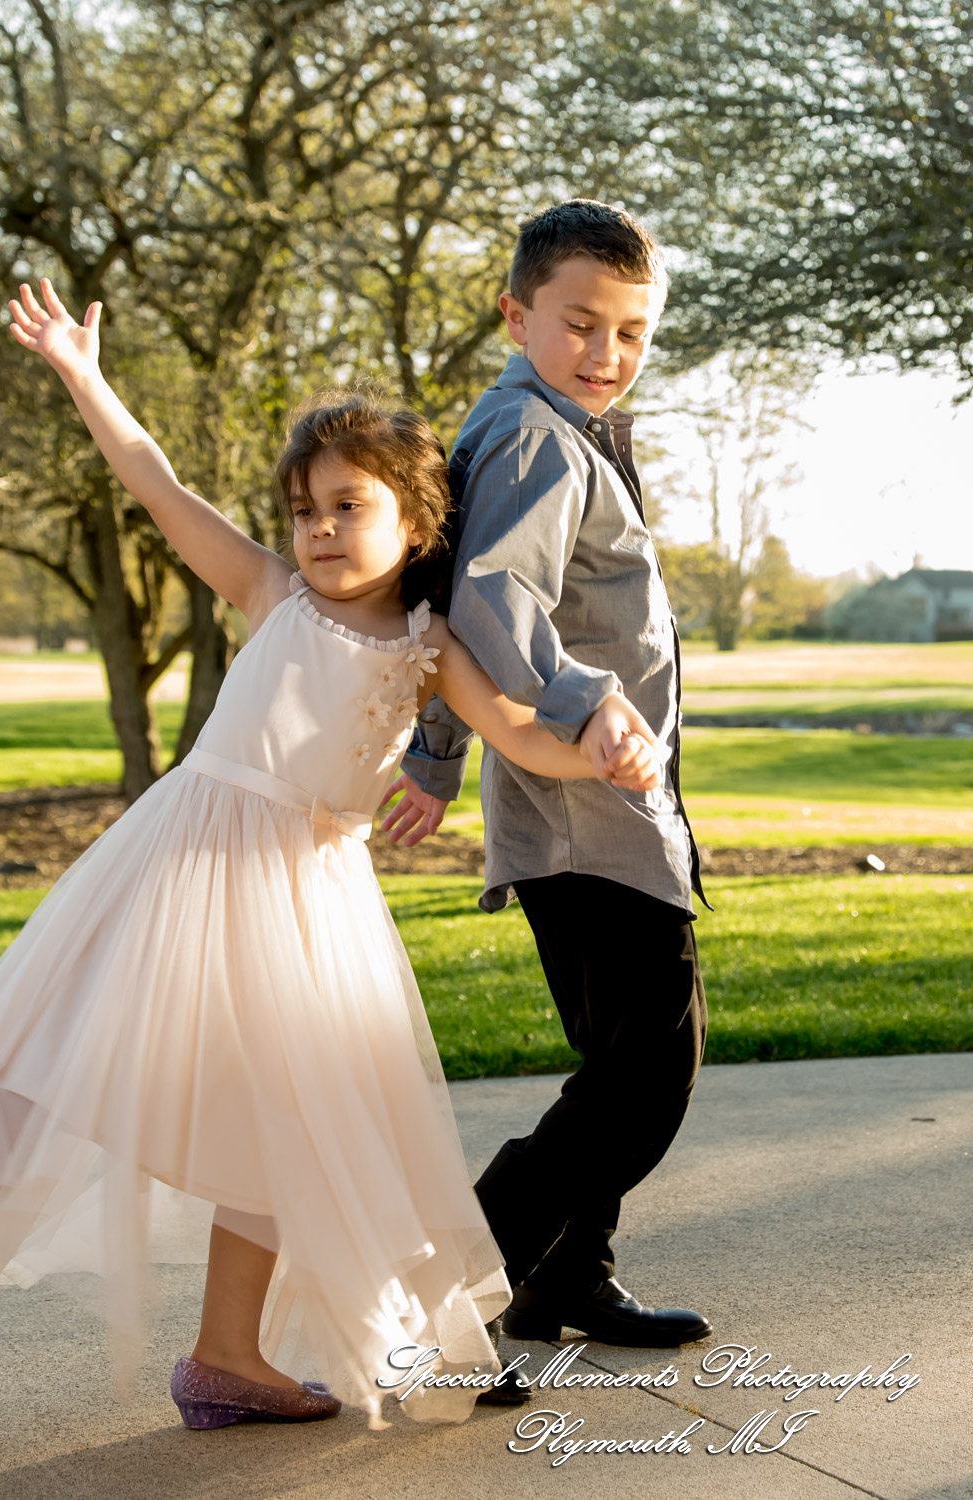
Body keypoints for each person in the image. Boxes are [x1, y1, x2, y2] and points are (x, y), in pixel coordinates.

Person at [0, 277, 664, 1433]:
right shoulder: (270, 592)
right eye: (304, 511)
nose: (319, 531)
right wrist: (83, 375)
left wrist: (607, 754)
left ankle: (225, 1359)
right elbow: (158, 483)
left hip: (307, 903)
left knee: (286, 1131)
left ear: (417, 523)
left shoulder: (434, 650)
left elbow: (519, 735)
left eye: (348, 507)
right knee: (35, 1041)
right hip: (181, 863)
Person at [382, 200, 714, 1361]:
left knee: (613, 1062)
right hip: (586, 813)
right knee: (650, 1071)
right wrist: (589, 699)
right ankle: (458, 1266)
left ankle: (569, 1277)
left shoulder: (546, 425)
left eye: (630, 332)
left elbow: (449, 604)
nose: (607, 355)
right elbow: (493, 603)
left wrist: (433, 755)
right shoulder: (533, 434)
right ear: (516, 314)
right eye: (580, 324)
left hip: (590, 812)